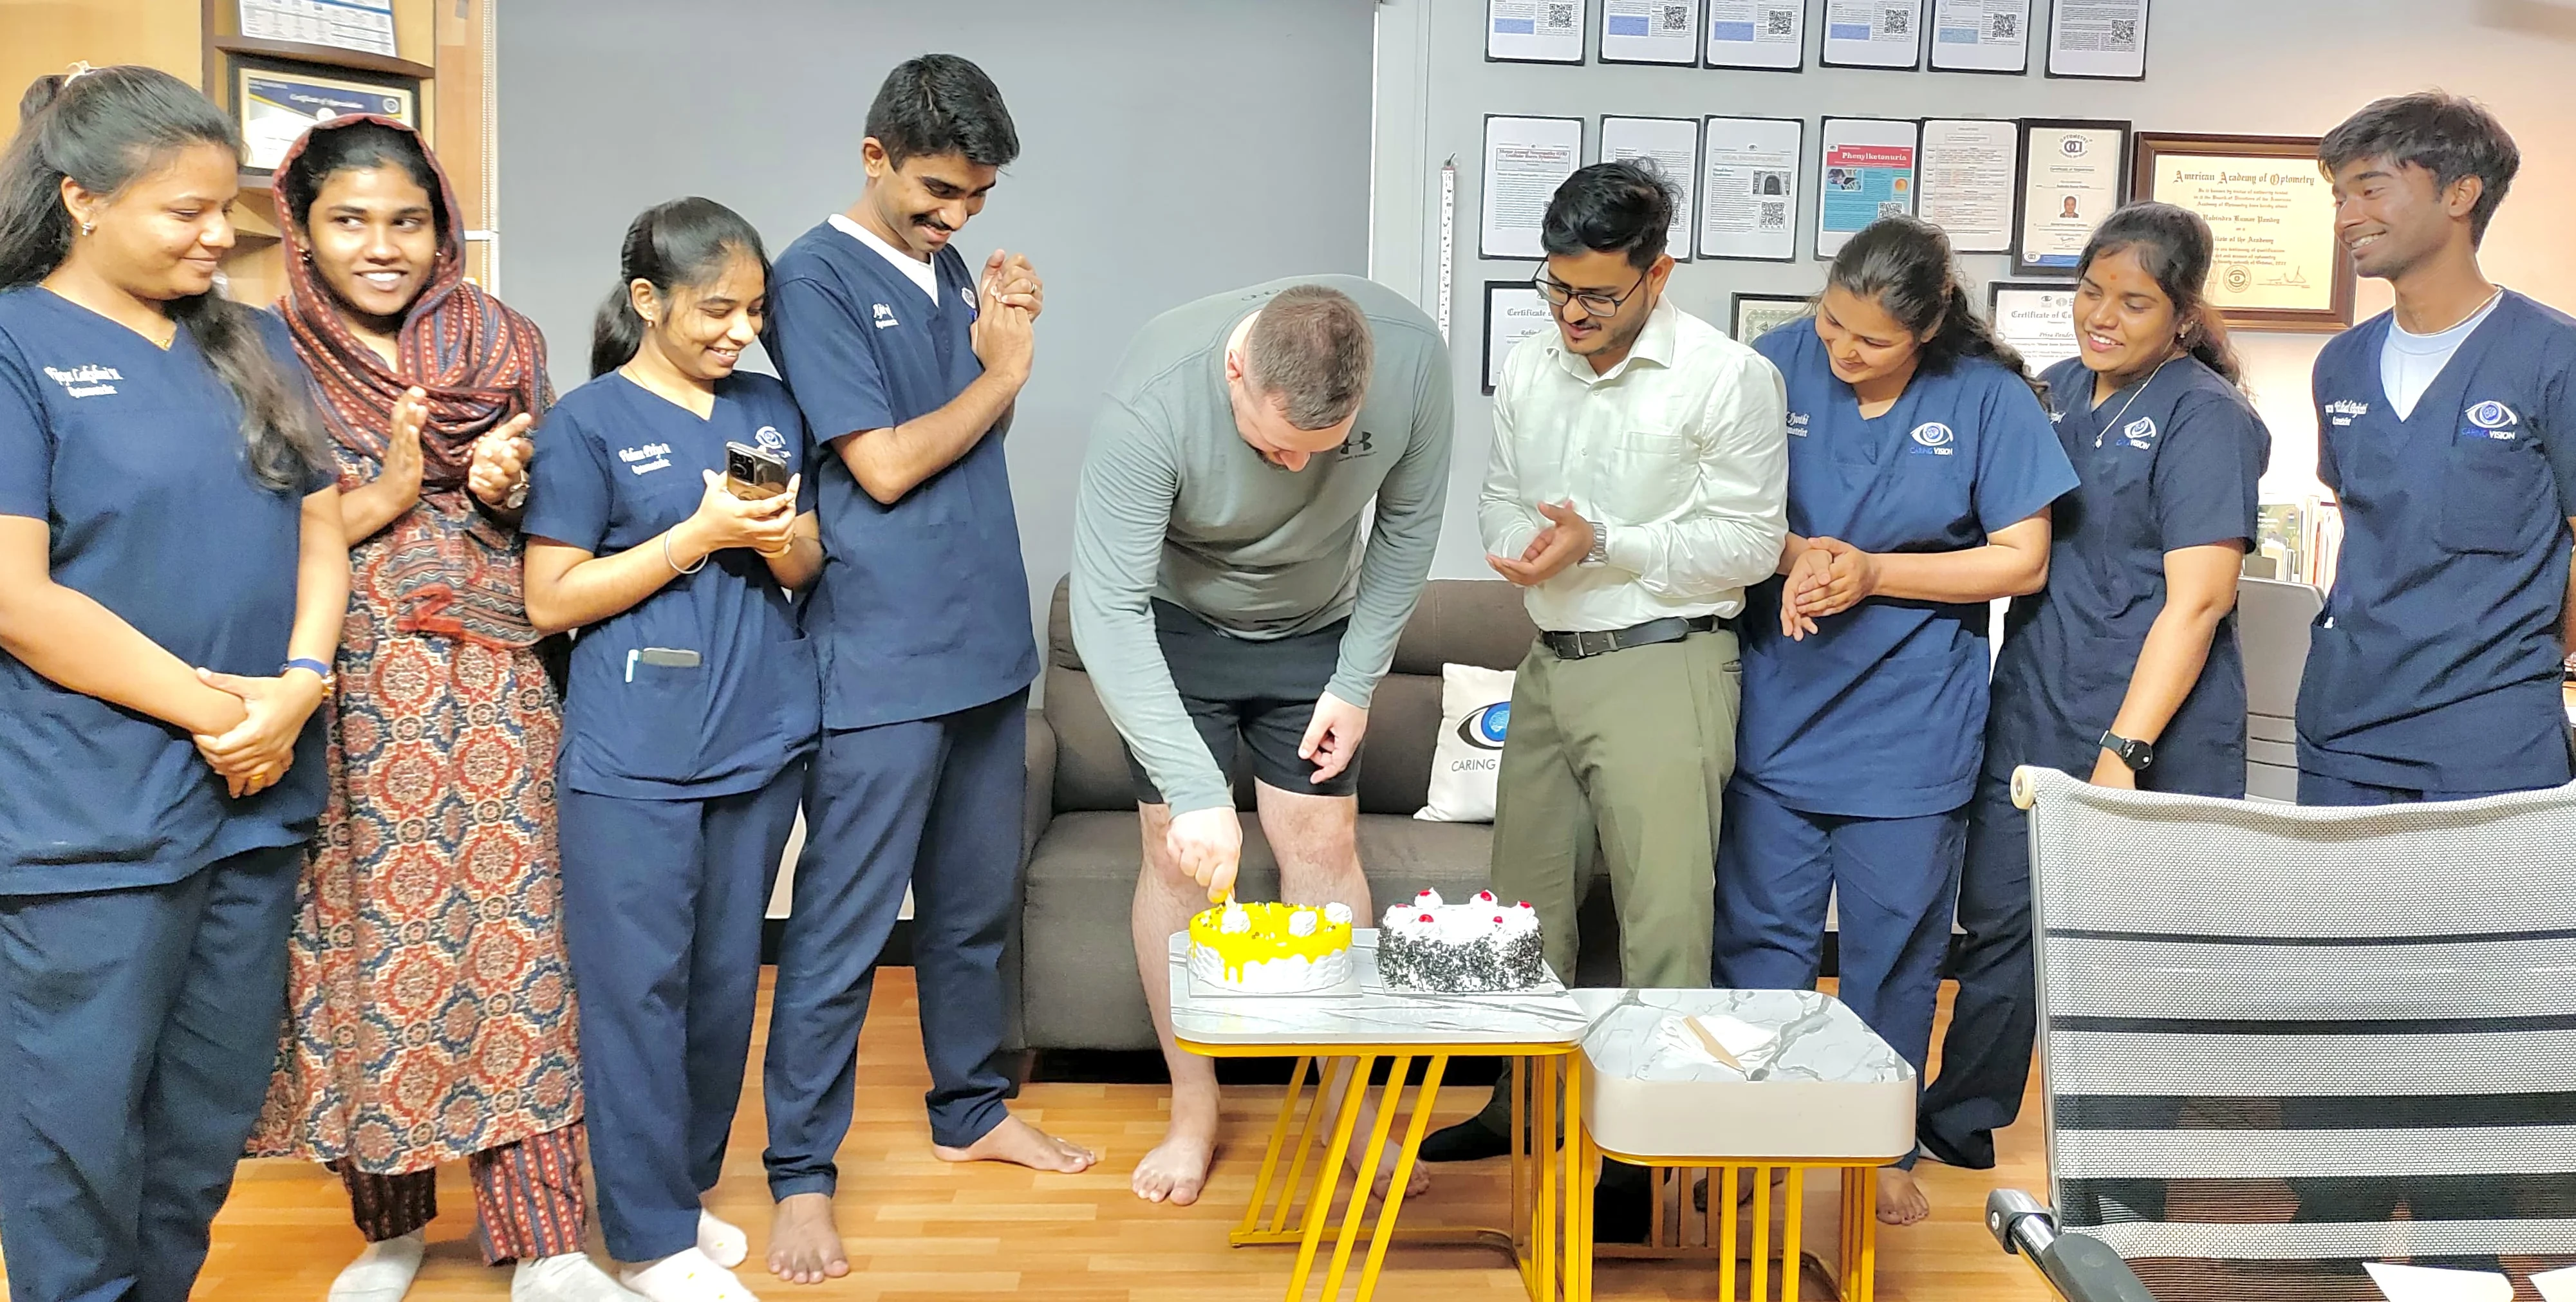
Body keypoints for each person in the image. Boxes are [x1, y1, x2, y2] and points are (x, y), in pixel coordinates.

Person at [238, 113, 632, 1302]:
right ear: (300, 229)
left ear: (443, 225)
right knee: (369, 951)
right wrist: (392, 492)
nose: (381, 245)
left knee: (524, 947)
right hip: (340, 682)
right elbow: (244, 537)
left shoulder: (503, 339)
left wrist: (506, 482)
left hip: (493, 676)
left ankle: (547, 1238)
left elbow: (563, 505)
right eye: (349, 220)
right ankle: (393, 1221)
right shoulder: (256, 352)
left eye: (406, 220)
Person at [0, 64, 347, 1302]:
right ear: (82, 200)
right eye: (184, 212)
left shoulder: (251, 341)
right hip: (90, 820)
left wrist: (298, 688)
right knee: (75, 1149)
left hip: (253, 804)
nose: (220, 237)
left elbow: (322, 529)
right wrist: (221, 713)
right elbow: (18, 597)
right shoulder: (14, 342)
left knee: (201, 1141)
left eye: (226, 211)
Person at [757, 53, 1088, 1285]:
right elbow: (884, 466)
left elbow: (958, 433)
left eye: (979, 197)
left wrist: (995, 332)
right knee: (841, 930)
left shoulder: (947, 269)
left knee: (972, 911)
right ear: (873, 156)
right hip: (880, 655)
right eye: (940, 191)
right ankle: (800, 1174)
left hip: (982, 649)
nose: (957, 217)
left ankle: (971, 1110)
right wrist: (1003, 370)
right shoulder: (812, 278)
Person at [1421, 161, 1787, 1176]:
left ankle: (1648, 1149)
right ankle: (1519, 1102)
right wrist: (1518, 545)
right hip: (1547, 662)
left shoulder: (1727, 377)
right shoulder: (1534, 365)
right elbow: (1499, 493)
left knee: (1660, 919)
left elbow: (1751, 545)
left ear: (1656, 273)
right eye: (1556, 284)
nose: (1571, 310)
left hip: (1663, 665)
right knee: (1521, 905)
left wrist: (1605, 540)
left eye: (1595, 291)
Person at [1714, 215, 2078, 1226]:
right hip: (1778, 714)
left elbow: (2021, 557)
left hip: (1910, 727)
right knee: (1758, 944)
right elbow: (1725, 503)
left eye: (1871, 340)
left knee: (1894, 954)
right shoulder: (1773, 363)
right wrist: (1799, 557)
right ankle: (1751, 1131)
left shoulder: (1988, 398)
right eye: (1831, 322)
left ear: (1925, 330)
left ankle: (1877, 1141)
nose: (1841, 350)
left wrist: (1874, 573)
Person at [1070, 270, 1452, 1207]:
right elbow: (1106, 608)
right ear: (1236, 368)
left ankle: (1346, 1106)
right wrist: (1199, 797)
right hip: (1174, 626)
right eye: (1274, 446)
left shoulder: (1413, 362)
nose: (1292, 471)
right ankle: (1192, 1105)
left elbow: (1405, 532)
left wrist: (1356, 680)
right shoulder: (1153, 394)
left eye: (1317, 453)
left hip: (1318, 630)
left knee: (1321, 839)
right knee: (1175, 852)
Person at [1918, 203, 2270, 1175]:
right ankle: (1958, 1121)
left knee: (2137, 957)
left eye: (2133, 301)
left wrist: (2125, 751)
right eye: (2088, 291)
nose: (2100, 316)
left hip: (2153, 726)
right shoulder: (2057, 392)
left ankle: (2130, 1166)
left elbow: (2196, 603)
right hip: (2034, 698)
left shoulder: (2205, 415)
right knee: (1997, 924)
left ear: (2183, 315)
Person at [524, 197, 823, 1302]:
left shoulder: (769, 407)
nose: (738, 329)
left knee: (717, 987)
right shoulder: (587, 422)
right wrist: (691, 537)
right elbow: (548, 598)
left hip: (756, 737)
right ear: (648, 300)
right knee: (635, 992)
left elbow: (805, 566)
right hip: (634, 754)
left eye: (752, 309)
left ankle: (680, 1196)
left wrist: (778, 531)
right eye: (714, 308)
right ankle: (647, 1243)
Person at [2299, 91, 2576, 805]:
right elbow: (2370, 531)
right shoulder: (2341, 365)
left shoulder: (2554, 356)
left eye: (2371, 188)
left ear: (2461, 193)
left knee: (2487, 920)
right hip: (2347, 722)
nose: (2346, 217)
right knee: (2339, 919)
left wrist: (2523, 657)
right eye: (2339, 196)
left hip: (2490, 733)